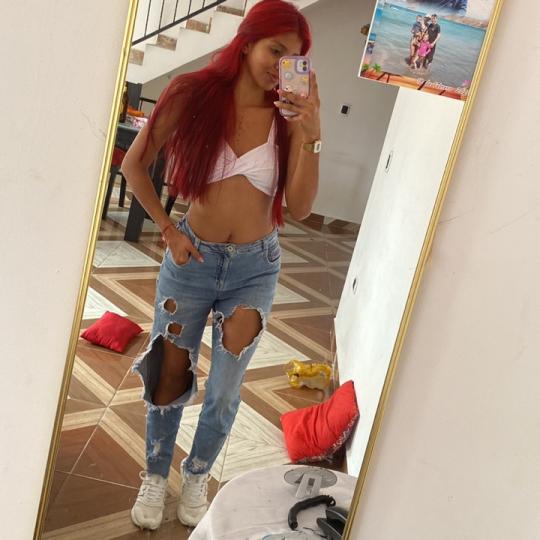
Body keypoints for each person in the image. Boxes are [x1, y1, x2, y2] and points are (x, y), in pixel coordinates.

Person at [121, 0, 321, 531]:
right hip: (191, 259)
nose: (280, 66)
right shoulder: (192, 93)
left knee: (226, 387)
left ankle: (198, 474)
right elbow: (134, 164)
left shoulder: (288, 118)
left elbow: (301, 208)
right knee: (169, 372)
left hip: (255, 268)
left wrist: (311, 130)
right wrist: (168, 230)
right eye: (275, 50)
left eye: (293, 58)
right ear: (247, 41)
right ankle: (155, 474)